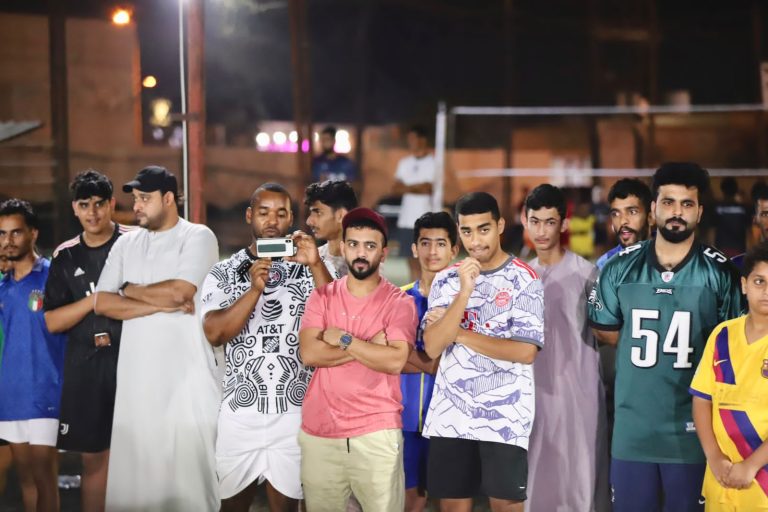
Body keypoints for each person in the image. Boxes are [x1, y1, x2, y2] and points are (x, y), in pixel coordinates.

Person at [589, 162, 744, 512]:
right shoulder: (617, 268)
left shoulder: (720, 273)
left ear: (700, 211)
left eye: (687, 204)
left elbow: (733, 348)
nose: (677, 212)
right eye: (669, 202)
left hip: (696, 435)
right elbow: (604, 328)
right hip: (632, 432)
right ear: (653, 209)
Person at [93, 165, 221, 511]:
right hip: (136, 387)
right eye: (135, 198)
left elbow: (181, 292)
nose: (136, 206)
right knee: (136, 489)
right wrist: (160, 303)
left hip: (188, 384)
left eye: (144, 198)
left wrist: (129, 289)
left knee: (191, 489)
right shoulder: (126, 244)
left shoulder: (198, 237)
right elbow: (102, 302)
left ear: (167, 199)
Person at [201, 183, 333, 511]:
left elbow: (338, 320)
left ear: (291, 219)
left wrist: (316, 264)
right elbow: (215, 332)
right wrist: (253, 291)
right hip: (240, 412)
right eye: (264, 212)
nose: (272, 221)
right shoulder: (226, 271)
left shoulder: (308, 267)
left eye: (281, 213)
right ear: (249, 215)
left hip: (293, 412)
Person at [422, 192, 545, 512]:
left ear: (500, 225)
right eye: (466, 231)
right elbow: (433, 346)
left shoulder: (524, 279)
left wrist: (459, 333)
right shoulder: (446, 280)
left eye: (483, 229)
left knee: (506, 507)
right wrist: (464, 292)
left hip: (505, 420)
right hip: (451, 418)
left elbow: (524, 351)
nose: (475, 240)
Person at [298, 207, 417, 512]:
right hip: (321, 431)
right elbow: (309, 354)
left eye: (370, 245)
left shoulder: (399, 303)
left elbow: (395, 361)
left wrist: (345, 339)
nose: (361, 253)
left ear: (384, 252)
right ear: (344, 247)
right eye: (353, 244)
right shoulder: (322, 297)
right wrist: (369, 347)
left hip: (376, 433)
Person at [43, 170, 130, 512]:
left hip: (133, 365)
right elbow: (52, 321)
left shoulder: (134, 243)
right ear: (74, 209)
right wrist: (95, 301)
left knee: (138, 456)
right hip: (86, 369)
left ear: (112, 204)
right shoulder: (65, 256)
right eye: (84, 205)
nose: (92, 213)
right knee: (93, 461)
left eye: (98, 204)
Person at [523, 184, 610, 511]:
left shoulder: (588, 275)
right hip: (533, 394)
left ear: (563, 224)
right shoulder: (521, 277)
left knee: (579, 479)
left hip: (579, 394)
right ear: (525, 222)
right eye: (535, 222)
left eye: (550, 222)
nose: (542, 231)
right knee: (536, 480)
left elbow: (606, 331)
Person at [690, 242, 768, 512]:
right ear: (744, 285)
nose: (766, 291)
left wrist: (751, 465)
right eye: (759, 281)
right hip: (721, 481)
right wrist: (714, 457)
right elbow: (702, 399)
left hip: (762, 486)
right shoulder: (722, 334)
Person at [0, 199, 66, 512]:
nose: (8, 240)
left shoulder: (54, 276)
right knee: (26, 479)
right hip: (11, 395)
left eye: (15, 232)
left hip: (46, 392)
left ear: (33, 233)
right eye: (2, 234)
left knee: (44, 478)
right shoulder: (3, 286)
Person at [400, 212, 458, 512]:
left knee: (453, 501)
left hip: (452, 421)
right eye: (425, 243)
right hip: (406, 421)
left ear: (454, 250)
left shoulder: (465, 303)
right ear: (414, 248)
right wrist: (440, 365)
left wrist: (410, 358)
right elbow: (391, 359)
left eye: (440, 243)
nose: (432, 251)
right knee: (411, 500)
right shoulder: (397, 299)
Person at [393, 125, 436, 280]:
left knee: (424, 262)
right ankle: (415, 292)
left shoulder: (433, 163)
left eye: (413, 139)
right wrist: (416, 187)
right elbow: (396, 188)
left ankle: (426, 292)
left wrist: (407, 187)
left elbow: (427, 188)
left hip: (426, 221)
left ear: (422, 140)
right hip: (406, 220)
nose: (410, 142)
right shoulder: (404, 163)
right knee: (410, 262)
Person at [305, 179, 358, 278]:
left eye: (318, 212)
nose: (309, 221)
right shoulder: (312, 258)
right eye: (311, 213)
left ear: (341, 215)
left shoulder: (366, 261)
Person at [596, 178, 653, 270]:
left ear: (650, 217)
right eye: (616, 214)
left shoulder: (670, 257)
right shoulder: (605, 265)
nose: (622, 221)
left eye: (632, 212)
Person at [711, 177, 751, 259]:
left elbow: (712, 230)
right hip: (739, 249)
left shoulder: (716, 207)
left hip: (721, 248)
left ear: (722, 190)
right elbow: (748, 230)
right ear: (736, 190)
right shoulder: (744, 208)